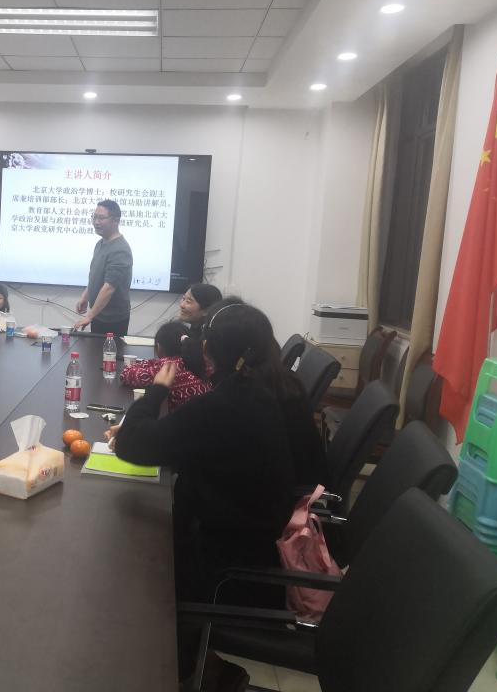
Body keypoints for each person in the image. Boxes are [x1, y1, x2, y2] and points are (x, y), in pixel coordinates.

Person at [107, 300, 323, 690]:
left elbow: (132, 445)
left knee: (128, 560)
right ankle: (201, 666)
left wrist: (156, 391)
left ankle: (171, 670)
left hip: (226, 567)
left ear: (207, 351)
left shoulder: (227, 404)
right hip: (252, 537)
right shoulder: (261, 391)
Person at [120, 321, 211, 411]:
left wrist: (151, 363)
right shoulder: (201, 361)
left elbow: (126, 374)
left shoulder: (167, 368)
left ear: (159, 347)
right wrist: (155, 363)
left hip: (183, 418)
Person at [73, 199, 133, 335]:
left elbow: (109, 288)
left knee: (108, 349)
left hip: (113, 319)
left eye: (101, 218)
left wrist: (89, 316)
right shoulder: (100, 243)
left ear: (115, 220)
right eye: (94, 217)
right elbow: (96, 277)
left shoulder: (120, 250)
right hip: (99, 314)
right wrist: (85, 296)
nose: (96, 222)